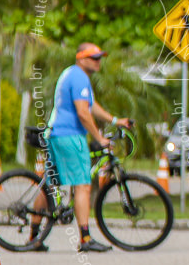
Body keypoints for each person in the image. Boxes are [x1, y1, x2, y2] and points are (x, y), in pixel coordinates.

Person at [43, 43, 129, 252]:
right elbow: (83, 112)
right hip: (71, 136)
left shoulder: (71, 74)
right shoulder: (80, 77)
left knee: (49, 183)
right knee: (83, 185)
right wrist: (99, 137)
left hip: (55, 133)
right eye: (93, 58)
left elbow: (91, 105)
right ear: (81, 58)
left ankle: (34, 235)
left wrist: (115, 120)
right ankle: (85, 239)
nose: (98, 61)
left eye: (99, 58)